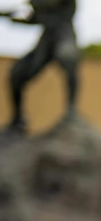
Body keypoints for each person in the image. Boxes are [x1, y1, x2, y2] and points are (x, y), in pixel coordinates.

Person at [2, 0, 80, 132]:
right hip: (46, 40)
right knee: (17, 73)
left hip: (63, 35)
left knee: (67, 58)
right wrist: (11, 17)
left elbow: (47, 3)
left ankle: (71, 112)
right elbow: (36, 18)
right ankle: (18, 119)